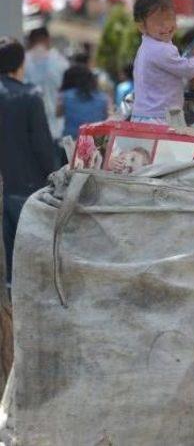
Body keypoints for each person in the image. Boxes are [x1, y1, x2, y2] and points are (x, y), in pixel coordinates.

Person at [0, 37, 55, 279]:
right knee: (26, 266)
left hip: (5, 188)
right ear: (20, 65)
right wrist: (54, 176)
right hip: (27, 190)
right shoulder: (31, 96)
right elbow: (42, 146)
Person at [131, 0, 194, 123]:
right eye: (159, 22)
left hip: (144, 116)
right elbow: (187, 70)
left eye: (170, 18)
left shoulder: (146, 46)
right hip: (159, 118)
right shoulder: (160, 49)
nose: (166, 25)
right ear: (142, 26)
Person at [24, 26, 70, 140]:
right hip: (56, 128)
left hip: (29, 127)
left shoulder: (22, 62)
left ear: (30, 41)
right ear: (48, 40)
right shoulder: (60, 61)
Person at [57, 64, 110, 139]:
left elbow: (58, 114)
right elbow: (107, 116)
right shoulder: (103, 98)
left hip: (71, 140)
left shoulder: (65, 96)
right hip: (95, 141)